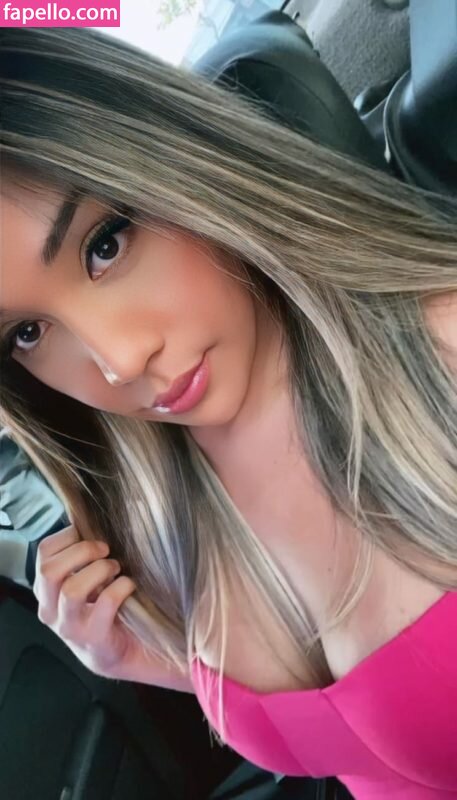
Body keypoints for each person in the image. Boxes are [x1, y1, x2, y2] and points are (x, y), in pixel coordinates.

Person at [1, 26, 456, 800]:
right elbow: (344, 726)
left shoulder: (440, 354)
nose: (119, 361)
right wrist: (139, 660)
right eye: (28, 333)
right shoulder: (150, 509)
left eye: (105, 244)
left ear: (178, 159)